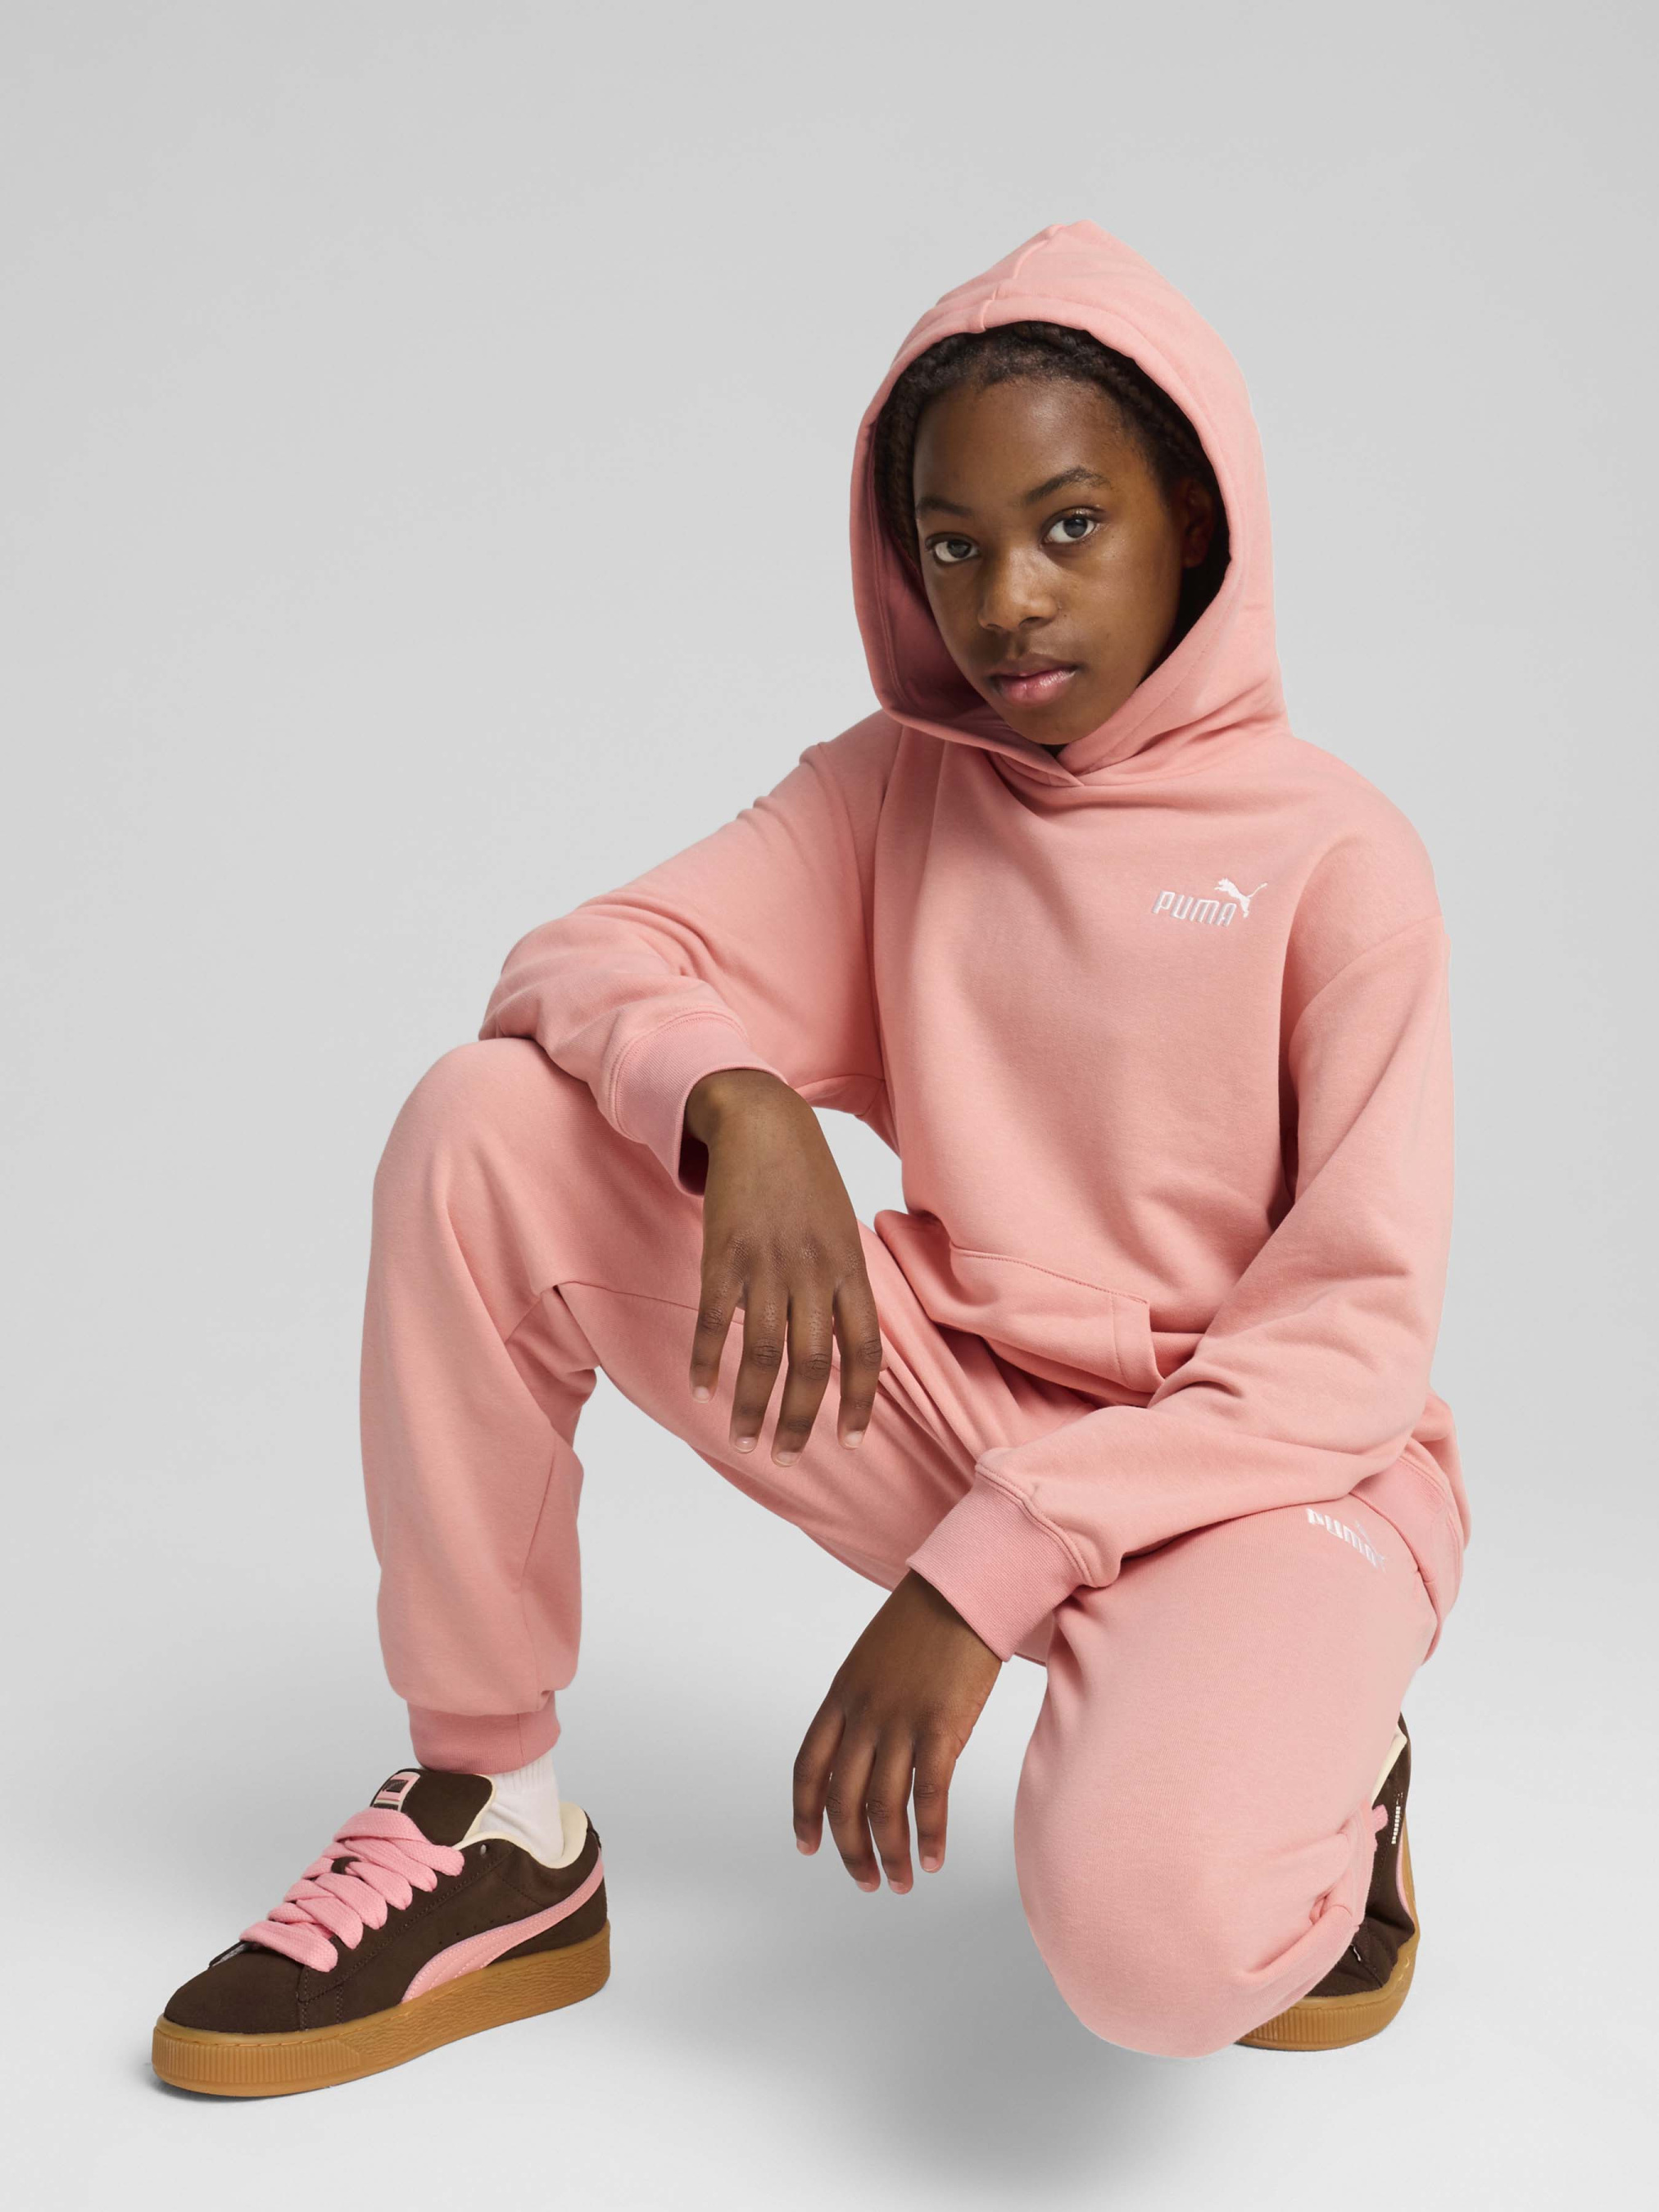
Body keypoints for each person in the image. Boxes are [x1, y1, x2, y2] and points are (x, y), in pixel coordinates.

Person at [151, 220, 1467, 2095]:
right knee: (485, 1124)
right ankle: (490, 1812)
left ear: (1191, 517)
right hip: (957, 1397)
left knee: (1159, 1959)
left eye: (1067, 527)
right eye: (953, 545)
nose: (1004, 601)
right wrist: (739, 1102)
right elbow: (580, 960)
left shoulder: (1341, 861)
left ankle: (1331, 1757)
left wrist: (975, 1578)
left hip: (1258, 1478)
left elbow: (1346, 1345)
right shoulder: (894, 789)